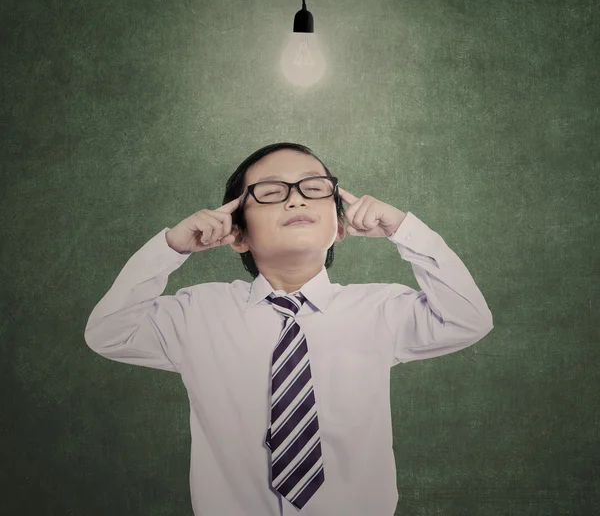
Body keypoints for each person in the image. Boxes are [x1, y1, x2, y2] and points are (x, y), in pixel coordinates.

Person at [84, 142, 494, 516]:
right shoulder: (199, 313)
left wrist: (404, 229)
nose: (296, 196)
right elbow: (109, 333)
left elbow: (466, 318)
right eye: (270, 191)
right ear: (237, 234)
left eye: (314, 187)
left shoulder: (379, 309)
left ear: (340, 225)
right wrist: (170, 248)